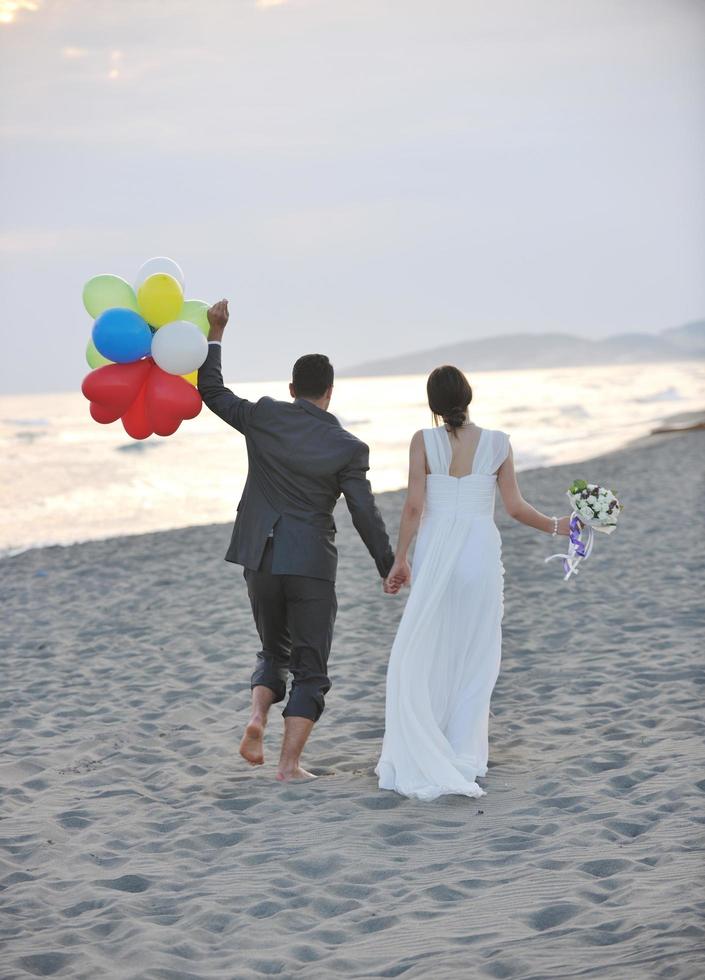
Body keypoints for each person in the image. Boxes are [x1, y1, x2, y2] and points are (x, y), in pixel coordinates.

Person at [198, 300, 394, 782]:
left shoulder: (265, 416)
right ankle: (288, 766)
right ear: (330, 392)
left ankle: (257, 717)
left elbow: (212, 392)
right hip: (309, 563)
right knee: (311, 670)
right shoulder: (348, 446)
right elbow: (363, 512)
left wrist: (216, 333)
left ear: (291, 390)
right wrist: (387, 565)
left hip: (259, 557)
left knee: (272, 652)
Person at [376, 364, 571, 801]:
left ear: (433, 404)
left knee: (430, 645)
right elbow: (517, 508)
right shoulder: (499, 443)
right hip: (479, 551)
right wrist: (562, 527)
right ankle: (464, 753)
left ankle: (433, 741)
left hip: (436, 548)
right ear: (469, 396)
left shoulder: (422, 441)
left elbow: (412, 507)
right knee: (476, 650)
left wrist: (401, 558)